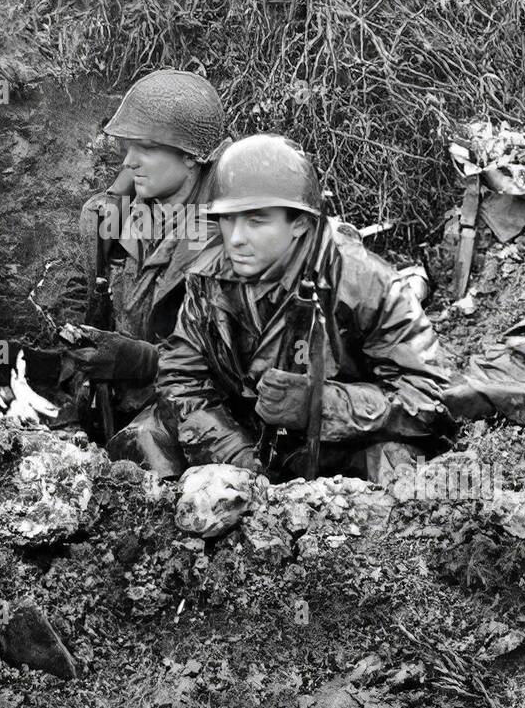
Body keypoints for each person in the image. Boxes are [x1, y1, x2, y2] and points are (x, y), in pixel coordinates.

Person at [149, 134, 455, 479]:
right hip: (249, 443)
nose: (235, 238)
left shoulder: (364, 282)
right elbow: (181, 378)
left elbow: (430, 397)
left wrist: (319, 404)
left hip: (341, 451)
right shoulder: (208, 277)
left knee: (399, 466)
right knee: (146, 439)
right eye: (228, 219)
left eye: (256, 221)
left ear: (300, 222)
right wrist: (235, 453)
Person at [60, 69, 228, 472]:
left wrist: (140, 360)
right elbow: (81, 319)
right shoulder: (107, 220)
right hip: (113, 415)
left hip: (199, 420)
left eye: (146, 149)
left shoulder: (237, 236)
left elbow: (239, 370)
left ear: (191, 156)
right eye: (128, 146)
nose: (128, 161)